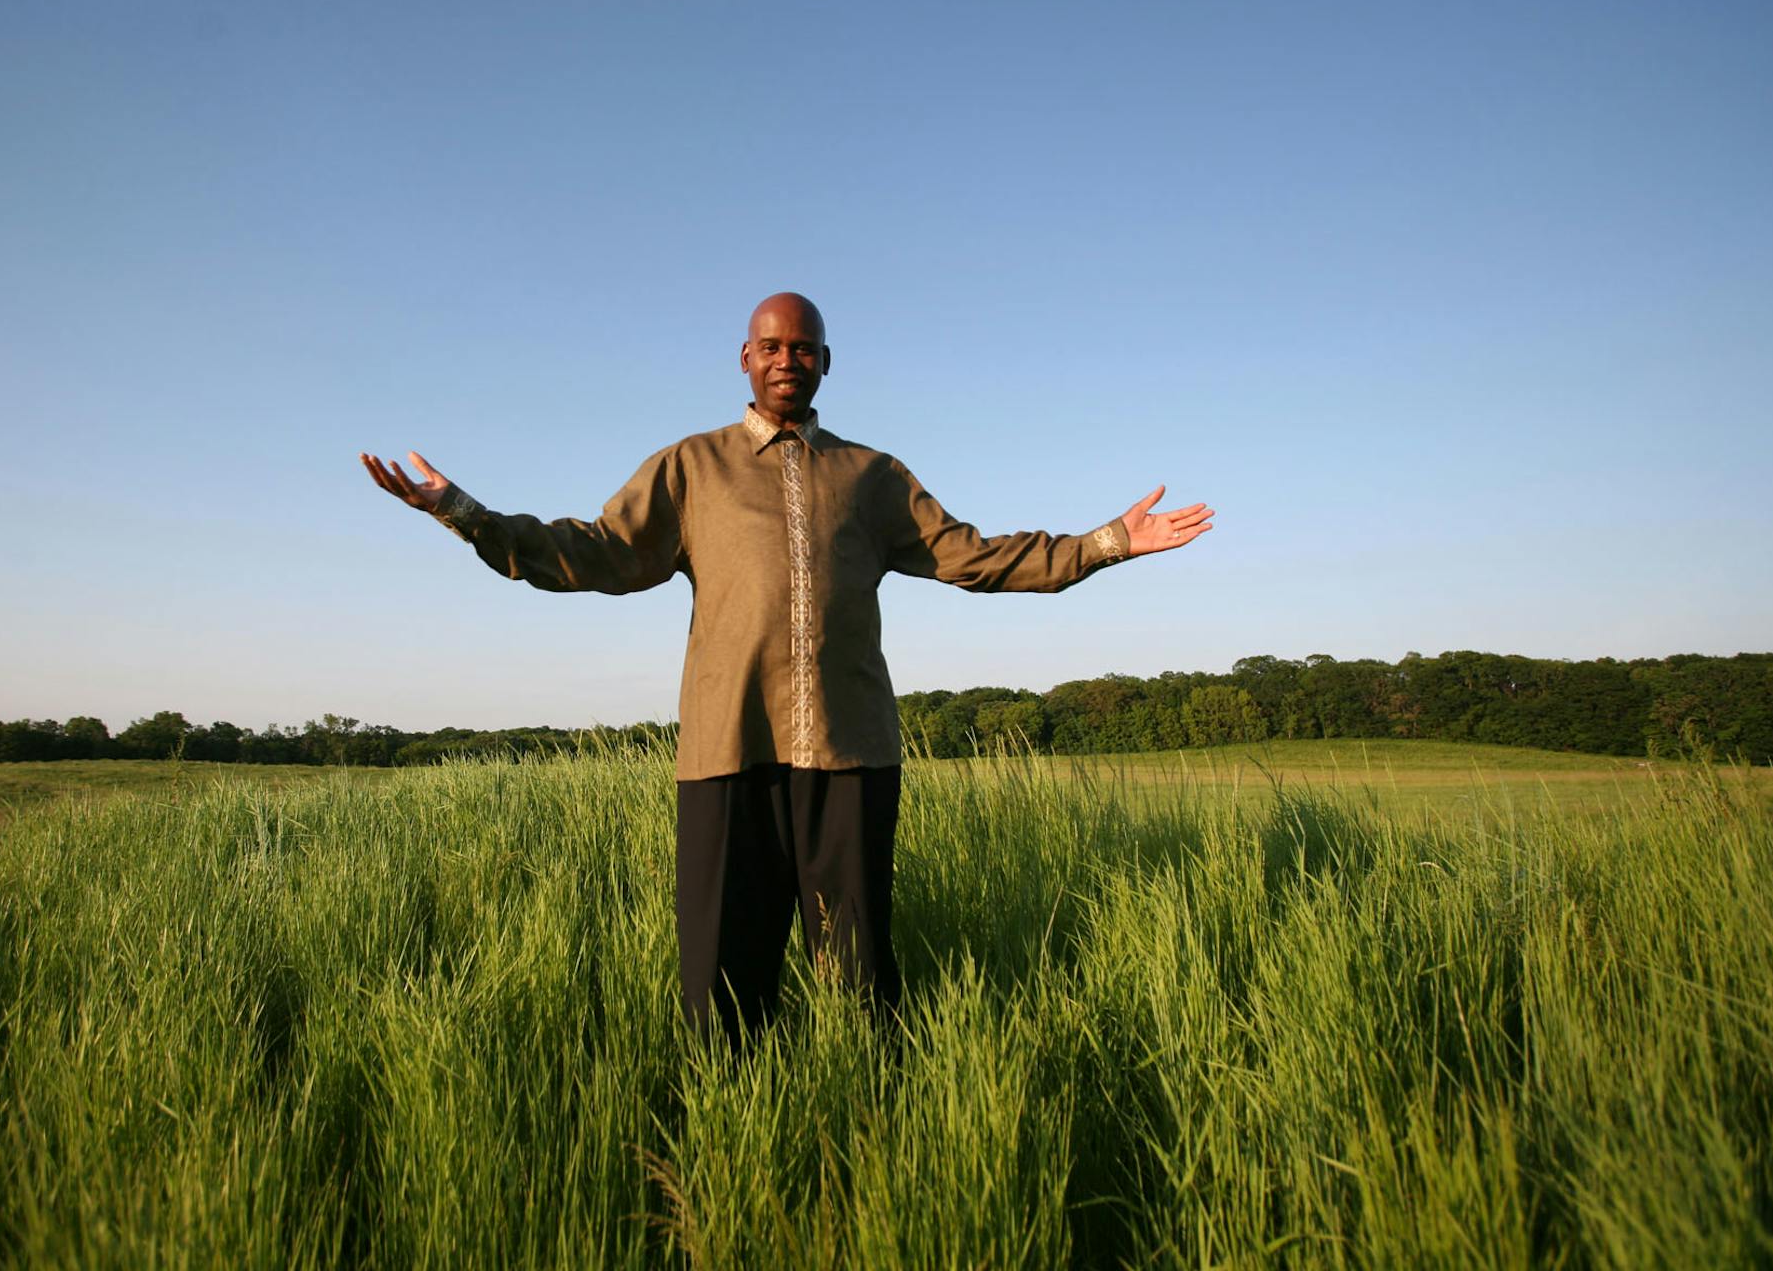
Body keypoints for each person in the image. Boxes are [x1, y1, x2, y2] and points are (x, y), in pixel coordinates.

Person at [360, 293, 1213, 1041]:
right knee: (722, 982)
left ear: (825, 363)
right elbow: (595, 551)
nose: (786, 360)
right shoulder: (692, 468)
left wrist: (1108, 544)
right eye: (770, 346)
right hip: (730, 753)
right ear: (744, 358)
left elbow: (977, 556)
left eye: (802, 347)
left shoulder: (873, 476)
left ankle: (860, 1117)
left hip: (850, 753)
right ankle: (731, 1132)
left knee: (859, 973)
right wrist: (463, 512)